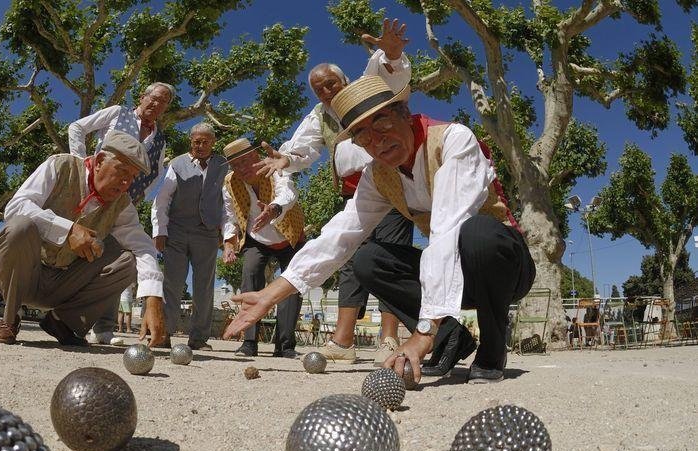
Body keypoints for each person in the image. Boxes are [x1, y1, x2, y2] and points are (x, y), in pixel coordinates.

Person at [225, 75, 535, 384]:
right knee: (369, 259)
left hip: (504, 269)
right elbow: (340, 236)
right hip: (455, 281)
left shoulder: (454, 140)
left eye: (383, 124)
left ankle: (492, 349)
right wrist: (270, 294)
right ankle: (451, 338)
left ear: (403, 113)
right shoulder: (378, 174)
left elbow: (446, 231)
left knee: (476, 233)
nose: (378, 141)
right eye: (363, 136)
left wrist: (423, 331)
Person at [254, 18, 412, 366]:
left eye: (330, 84)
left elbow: (389, 73)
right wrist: (287, 159)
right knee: (350, 262)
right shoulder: (318, 116)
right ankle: (343, 340)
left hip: (394, 184)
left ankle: (389, 338)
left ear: (344, 80)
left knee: (392, 256)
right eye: (319, 89)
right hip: (353, 193)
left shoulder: (369, 87)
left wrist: (392, 55)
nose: (326, 91)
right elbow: (303, 148)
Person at [0, 129, 166, 347]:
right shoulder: (60, 166)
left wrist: (153, 297)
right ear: (100, 161)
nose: (125, 184)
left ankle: (63, 322)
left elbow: (143, 247)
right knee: (20, 226)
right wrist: (67, 231)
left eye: (131, 178)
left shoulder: (122, 204)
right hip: (24, 277)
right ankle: (11, 317)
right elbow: (15, 207)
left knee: (127, 261)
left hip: (64, 285)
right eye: (122, 172)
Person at [68, 81, 175, 345]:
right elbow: (77, 127)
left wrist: (138, 196)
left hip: (122, 203)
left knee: (116, 257)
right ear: (143, 96)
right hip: (92, 192)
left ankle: (104, 327)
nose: (157, 105)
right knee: (81, 250)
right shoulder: (117, 113)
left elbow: (156, 172)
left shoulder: (159, 139)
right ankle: (69, 319)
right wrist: (80, 165)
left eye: (164, 102)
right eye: (155, 98)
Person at [221, 137, 305, 358]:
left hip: (290, 236)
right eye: (236, 165)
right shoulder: (229, 183)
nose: (242, 168)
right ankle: (249, 343)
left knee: (291, 284)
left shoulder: (275, 168)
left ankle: (285, 346)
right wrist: (229, 243)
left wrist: (274, 209)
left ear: (256, 157)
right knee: (250, 272)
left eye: (246, 160)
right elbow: (229, 217)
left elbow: (289, 193)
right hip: (256, 238)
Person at [151, 122, 229, 350]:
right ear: (191, 142)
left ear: (213, 143)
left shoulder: (223, 166)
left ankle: (198, 338)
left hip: (207, 233)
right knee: (172, 283)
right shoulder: (176, 164)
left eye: (206, 141)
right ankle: (164, 334)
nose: (201, 145)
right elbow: (162, 200)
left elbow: (226, 204)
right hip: (176, 231)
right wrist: (160, 231)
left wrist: (227, 235)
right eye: (197, 141)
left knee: (204, 286)